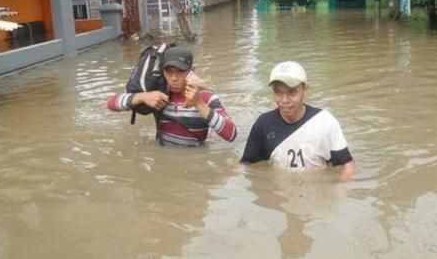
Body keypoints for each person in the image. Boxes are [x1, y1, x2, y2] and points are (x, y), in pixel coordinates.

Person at [240, 61, 355, 179]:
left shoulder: (325, 122)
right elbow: (246, 166)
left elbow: (347, 167)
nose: (284, 100)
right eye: (278, 92)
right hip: (281, 193)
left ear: (305, 89)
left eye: (292, 92)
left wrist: (338, 191)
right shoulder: (263, 124)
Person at [106, 46, 237, 146]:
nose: (174, 78)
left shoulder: (206, 97)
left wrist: (199, 104)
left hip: (194, 168)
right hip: (162, 164)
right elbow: (111, 104)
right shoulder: (159, 95)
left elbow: (231, 134)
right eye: (169, 72)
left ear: (192, 70)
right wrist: (142, 97)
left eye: (180, 72)